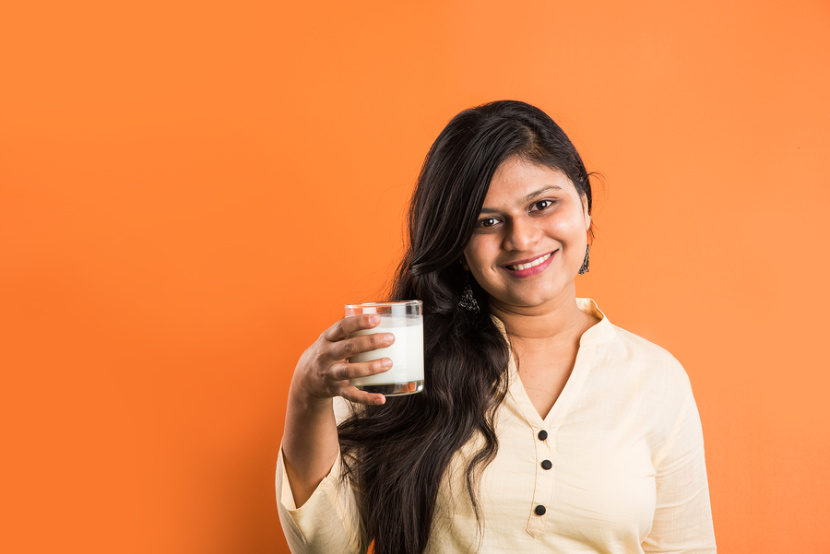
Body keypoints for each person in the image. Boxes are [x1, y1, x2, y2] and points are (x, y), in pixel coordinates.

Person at [276, 100, 716, 553]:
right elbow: (324, 548)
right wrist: (307, 395)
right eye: (488, 221)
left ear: (584, 207)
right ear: (458, 245)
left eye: (542, 205)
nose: (521, 239)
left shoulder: (655, 379)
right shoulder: (401, 361)